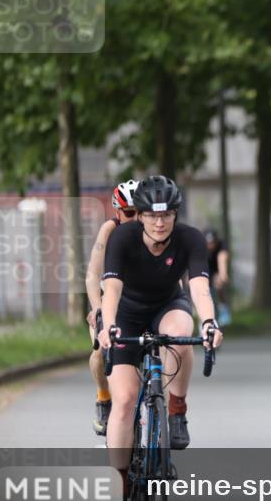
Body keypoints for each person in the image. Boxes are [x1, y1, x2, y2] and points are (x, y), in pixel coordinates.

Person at [97, 176, 224, 474]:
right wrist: (109, 325)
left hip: (167, 305)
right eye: (152, 215)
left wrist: (209, 321)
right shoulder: (123, 237)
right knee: (126, 400)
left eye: (166, 214)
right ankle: (121, 478)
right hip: (126, 314)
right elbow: (112, 287)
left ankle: (177, 409)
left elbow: (200, 286)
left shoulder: (190, 238)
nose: (159, 223)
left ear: (175, 214)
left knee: (181, 333)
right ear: (139, 216)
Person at [85, 179, 140, 436]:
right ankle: (103, 398)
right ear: (117, 212)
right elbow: (92, 275)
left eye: (141, 212)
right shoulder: (109, 230)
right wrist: (97, 308)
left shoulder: (153, 229)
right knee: (100, 348)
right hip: (111, 302)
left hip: (141, 303)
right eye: (129, 213)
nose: (136, 218)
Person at [204, 228, 232, 324]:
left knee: (219, 283)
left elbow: (222, 259)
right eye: (208, 243)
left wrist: (222, 275)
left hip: (217, 268)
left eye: (212, 243)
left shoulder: (222, 245)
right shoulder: (200, 247)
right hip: (206, 268)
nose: (210, 246)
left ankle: (224, 308)